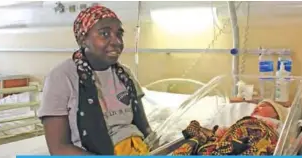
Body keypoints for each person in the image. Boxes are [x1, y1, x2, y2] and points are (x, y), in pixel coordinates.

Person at [37, 5, 152, 155]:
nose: (117, 41)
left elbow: (146, 130)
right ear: (83, 39)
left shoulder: (125, 76)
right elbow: (59, 149)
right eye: (105, 34)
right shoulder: (62, 77)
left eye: (119, 34)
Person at [171, 99, 288, 156]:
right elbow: (225, 132)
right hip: (234, 138)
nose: (258, 107)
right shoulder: (245, 120)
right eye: (258, 105)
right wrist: (214, 133)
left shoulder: (275, 123)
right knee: (198, 141)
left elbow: (281, 140)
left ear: (276, 113)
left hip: (254, 138)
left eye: (264, 106)